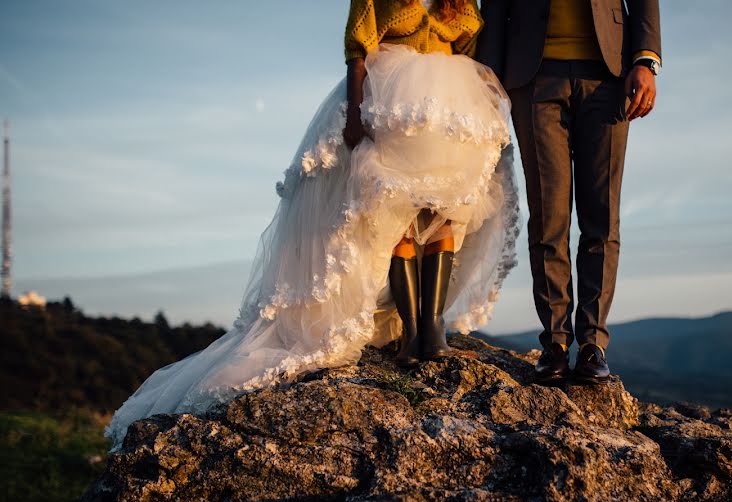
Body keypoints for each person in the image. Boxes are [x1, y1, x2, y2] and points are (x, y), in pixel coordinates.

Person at [104, 0, 520, 451]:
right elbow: (357, 48)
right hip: (391, 95)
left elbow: (473, 53)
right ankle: (413, 334)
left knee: (446, 211)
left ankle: (431, 327)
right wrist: (356, 111)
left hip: (451, 107)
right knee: (394, 214)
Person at [477, 0, 661, 385]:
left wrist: (645, 60)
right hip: (532, 76)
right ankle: (556, 344)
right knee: (548, 218)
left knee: (602, 216)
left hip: (610, 76)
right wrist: (489, 77)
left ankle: (593, 344)